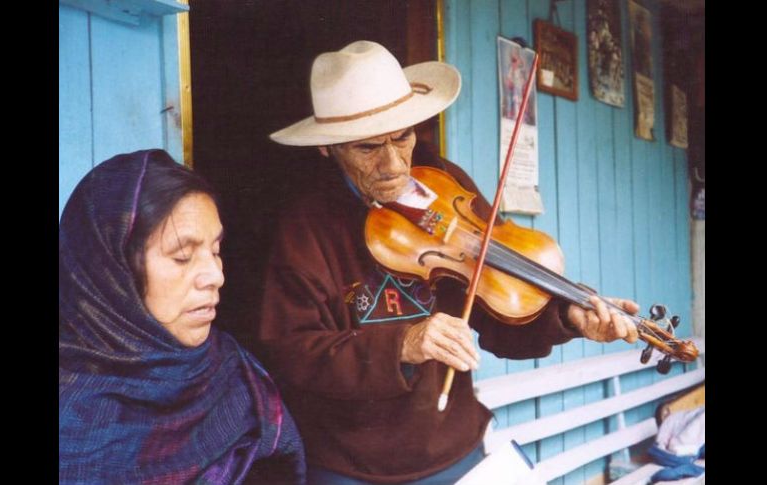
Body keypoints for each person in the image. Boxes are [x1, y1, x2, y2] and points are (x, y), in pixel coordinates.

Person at [257, 40, 639, 484]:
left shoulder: (443, 184)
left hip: (455, 450)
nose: (393, 165)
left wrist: (567, 315)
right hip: (352, 466)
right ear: (328, 148)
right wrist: (401, 345)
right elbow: (293, 354)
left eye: (402, 137)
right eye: (366, 148)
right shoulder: (304, 227)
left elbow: (494, 311)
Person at [59, 149, 306, 484]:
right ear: (111, 272)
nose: (215, 276)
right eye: (182, 256)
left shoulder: (236, 377)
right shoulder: (69, 414)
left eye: (216, 251)